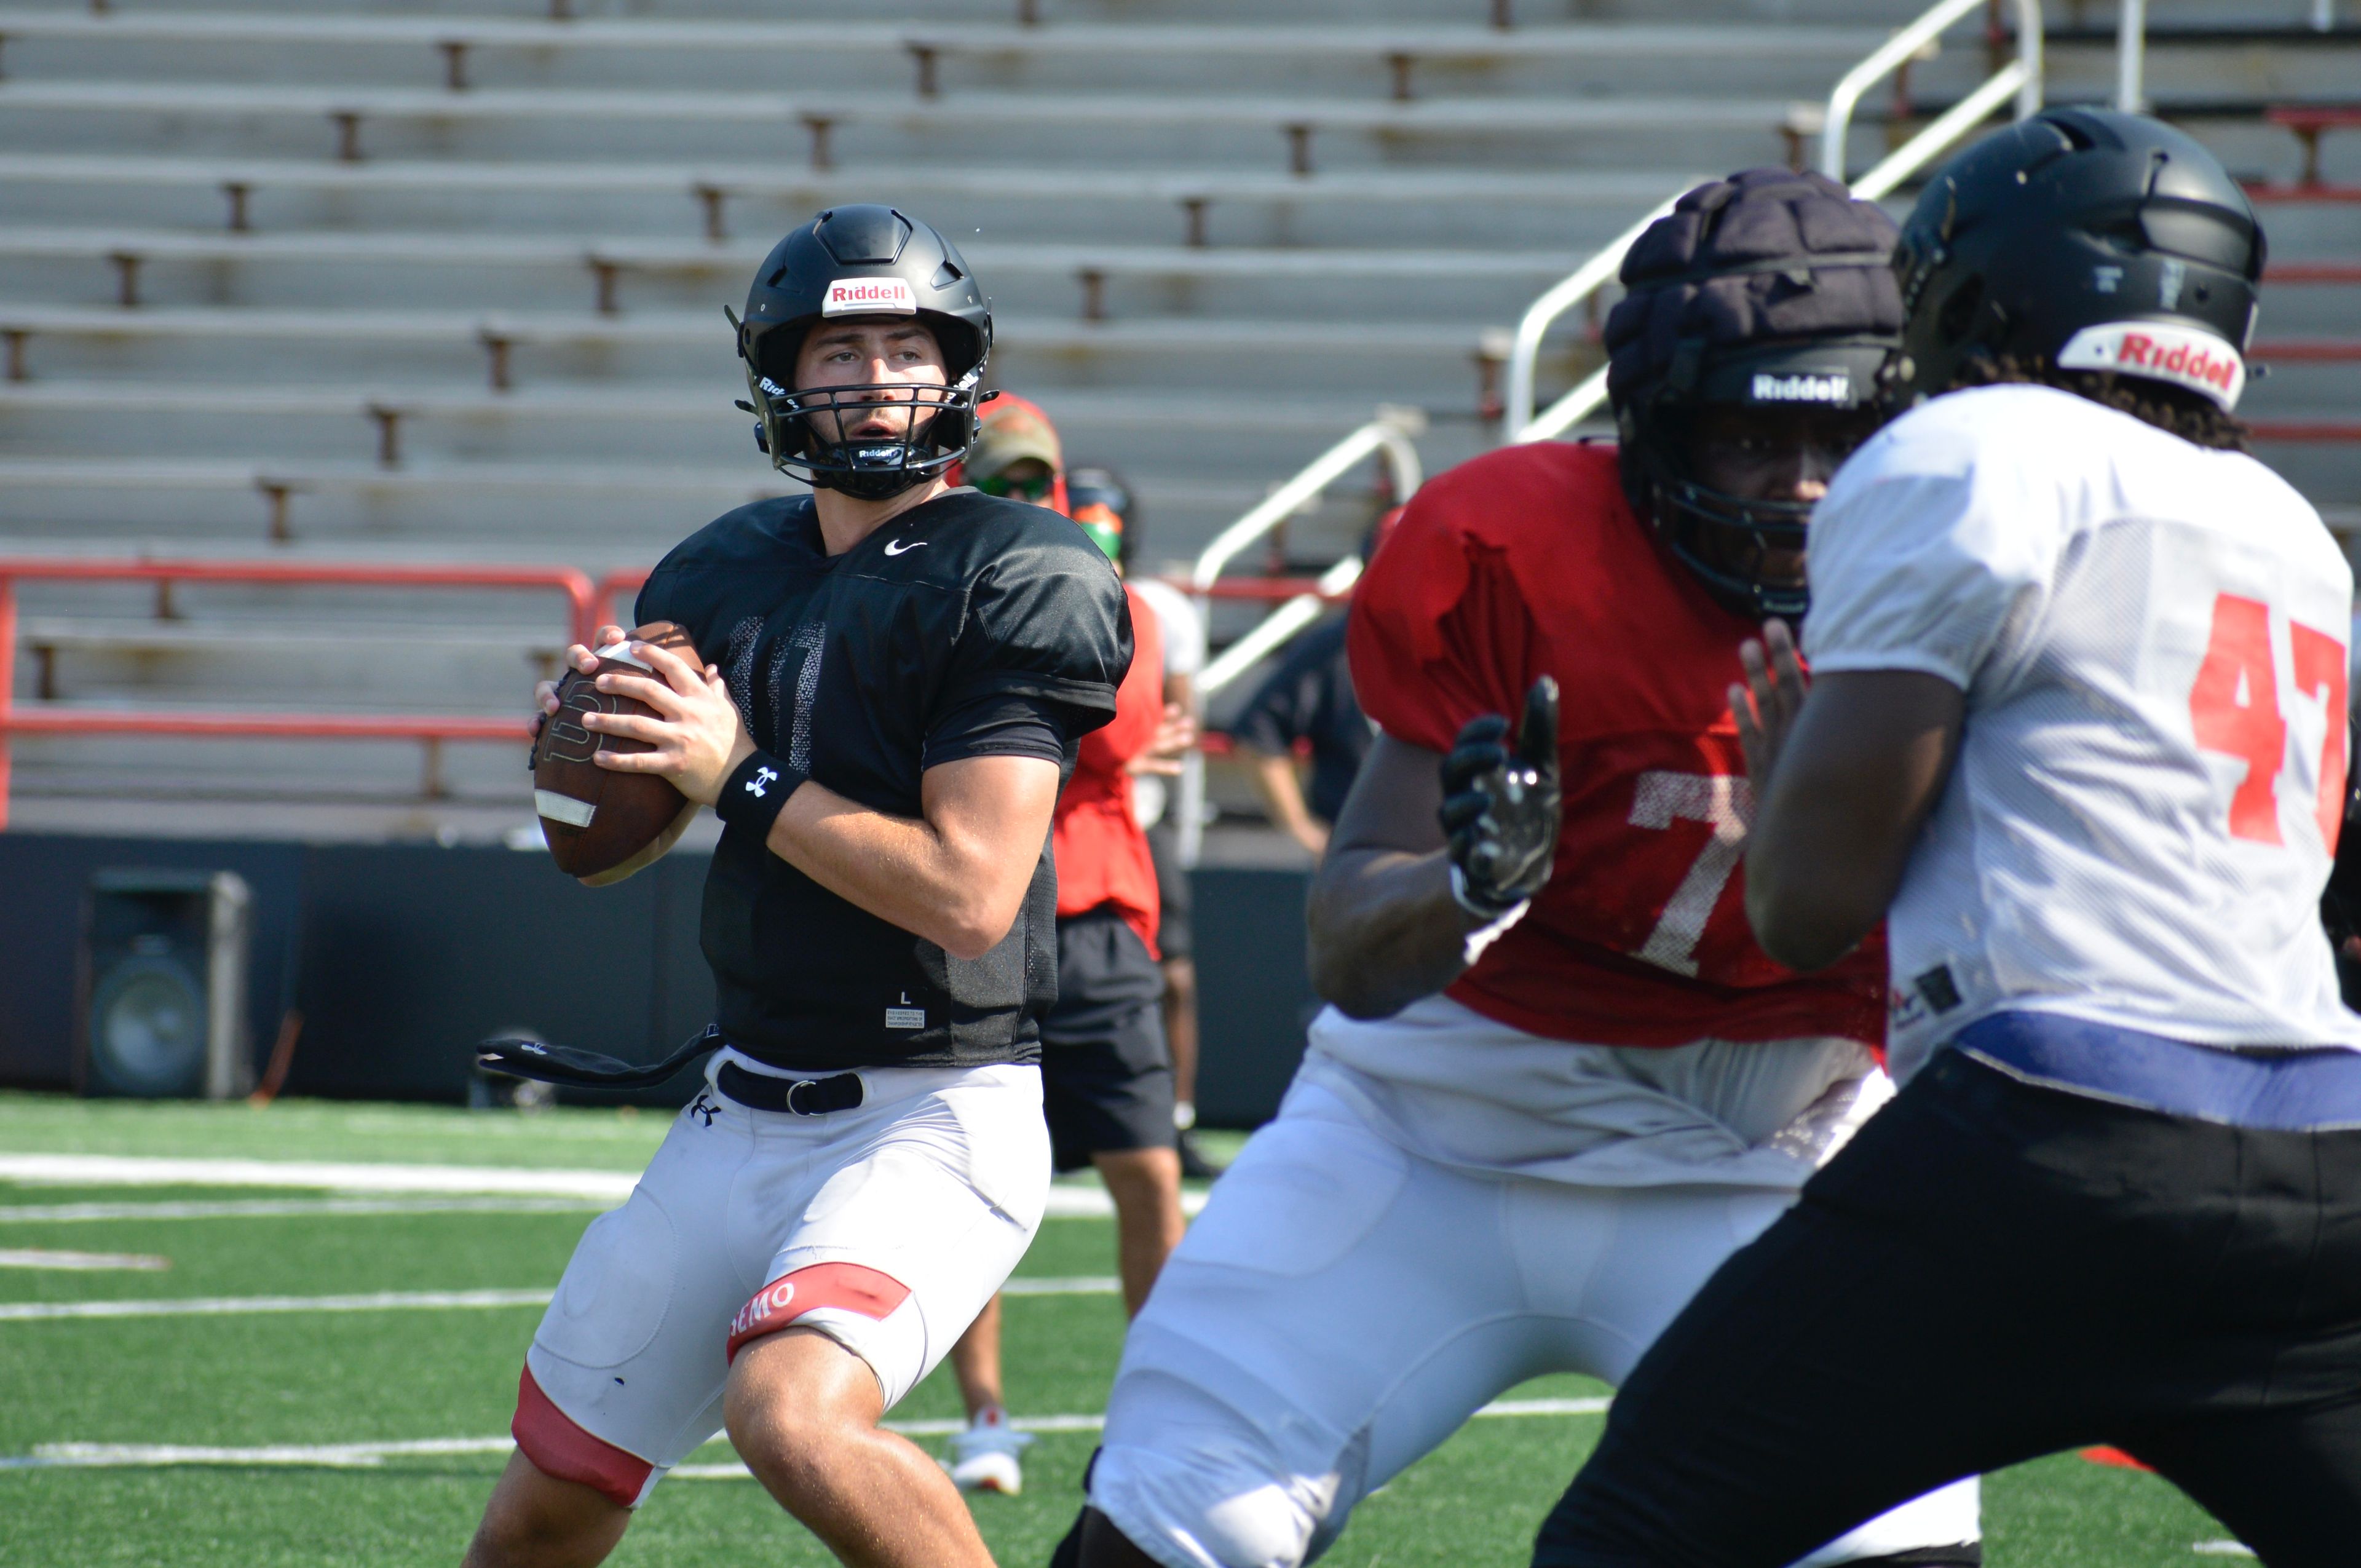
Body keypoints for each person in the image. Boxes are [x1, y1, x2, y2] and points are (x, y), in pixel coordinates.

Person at [1050, 168, 1983, 1568]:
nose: (1800, 489)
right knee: (1176, 1532)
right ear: (1655, 423)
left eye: (1843, 435)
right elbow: (1348, 953)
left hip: (1771, 1155)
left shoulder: (1968, 565)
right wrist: (1469, 886)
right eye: (1746, 436)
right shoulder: (1510, 545)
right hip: (1436, 1131)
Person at [1533, 109, 2361, 1568]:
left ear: (1981, 300)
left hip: (2053, 1142)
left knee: (1624, 1538)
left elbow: (1803, 906)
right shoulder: (2284, 522)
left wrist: (1789, 768)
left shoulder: (1969, 449)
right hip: (2315, 1154)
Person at [461, 204, 1131, 1568]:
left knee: (797, 1416)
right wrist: (593, 764)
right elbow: (611, 850)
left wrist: (734, 773)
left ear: (959, 369)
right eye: (842, 349)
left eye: (906, 344)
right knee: (548, 1508)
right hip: (743, 1104)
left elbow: (971, 893)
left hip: (933, 1111)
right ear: (780, 374)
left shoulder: (1019, 568)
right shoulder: (719, 568)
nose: (877, 376)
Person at [940, 410, 1188, 1500]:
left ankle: (1165, 1409)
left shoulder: (1110, 592)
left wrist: (993, 726)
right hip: (982, 917)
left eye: (1039, 481)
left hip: (1094, 916)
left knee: (1150, 1175)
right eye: (1009, 480)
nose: (1030, 498)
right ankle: (984, 1417)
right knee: (968, 1186)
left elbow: (1119, 731)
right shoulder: (931, 585)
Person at [1079, 467, 1221, 1178]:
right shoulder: (1040, 588)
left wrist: (1121, 750)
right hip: (1061, 815)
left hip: (1135, 818)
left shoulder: (1154, 609)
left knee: (1173, 973)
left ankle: (1177, 1115)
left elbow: (1175, 725)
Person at [1230, 611, 1370, 861]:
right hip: (1355, 859)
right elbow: (1259, 730)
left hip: (1444, 855)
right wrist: (1303, 829)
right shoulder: (1339, 644)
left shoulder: (1452, 640)